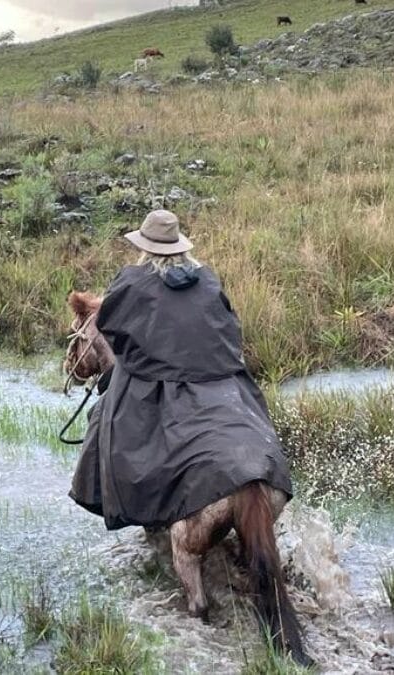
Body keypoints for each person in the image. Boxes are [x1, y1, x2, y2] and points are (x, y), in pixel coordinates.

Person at [69, 209, 292, 531]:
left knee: (105, 417)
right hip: (215, 373)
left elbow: (110, 327)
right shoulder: (207, 280)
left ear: (145, 247)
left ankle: (117, 500)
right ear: (179, 247)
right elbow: (228, 327)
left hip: (158, 378)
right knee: (250, 409)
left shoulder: (131, 280)